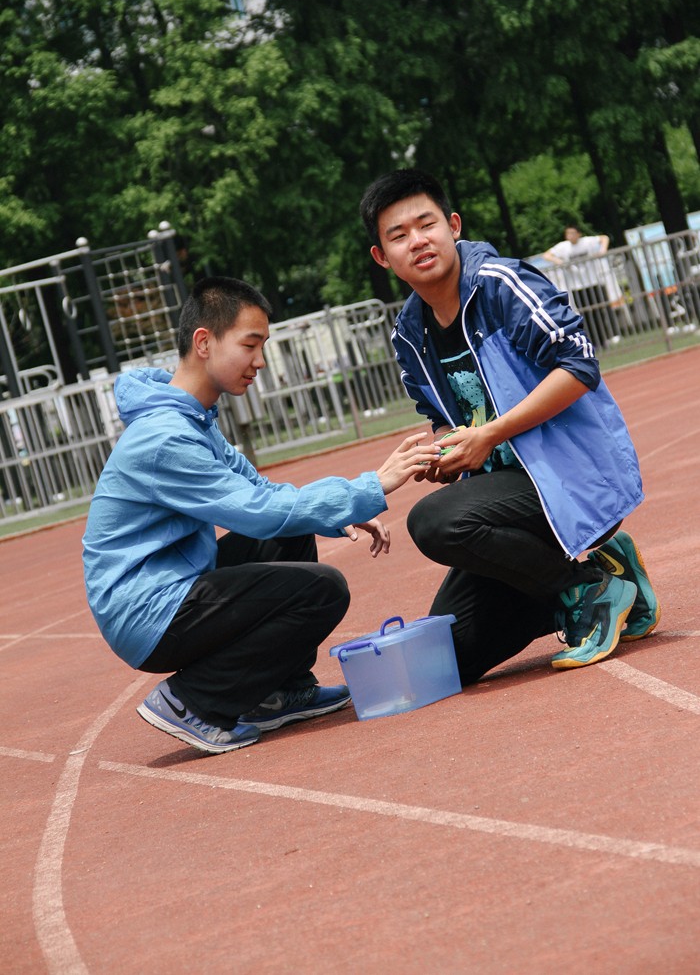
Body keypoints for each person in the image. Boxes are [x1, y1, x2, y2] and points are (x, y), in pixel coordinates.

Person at [82, 277, 441, 754]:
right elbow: (256, 512)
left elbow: (263, 491)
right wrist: (372, 486)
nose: (260, 361)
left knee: (293, 539)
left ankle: (277, 693)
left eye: (263, 345)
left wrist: (341, 510)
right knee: (322, 589)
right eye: (250, 344)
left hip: (173, 583)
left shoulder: (193, 418)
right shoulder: (165, 438)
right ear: (204, 342)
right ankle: (194, 701)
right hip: (145, 610)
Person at [359, 169, 660, 685]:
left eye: (425, 224)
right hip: (509, 500)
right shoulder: (410, 332)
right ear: (382, 257)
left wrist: (489, 436)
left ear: (453, 225)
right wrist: (446, 452)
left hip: (570, 475)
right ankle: (608, 574)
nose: (418, 241)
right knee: (450, 658)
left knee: (433, 523)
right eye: (398, 235)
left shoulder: (500, 285)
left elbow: (579, 365)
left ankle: (589, 590)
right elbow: (449, 415)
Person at [543, 224, 623, 348]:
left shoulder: (587, 242)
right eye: (568, 234)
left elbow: (604, 238)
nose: (570, 236)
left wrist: (603, 250)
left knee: (602, 309)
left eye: (572, 233)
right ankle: (596, 341)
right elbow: (546, 255)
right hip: (578, 286)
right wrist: (559, 262)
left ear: (578, 234)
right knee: (586, 314)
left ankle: (611, 335)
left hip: (594, 282)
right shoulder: (563, 247)